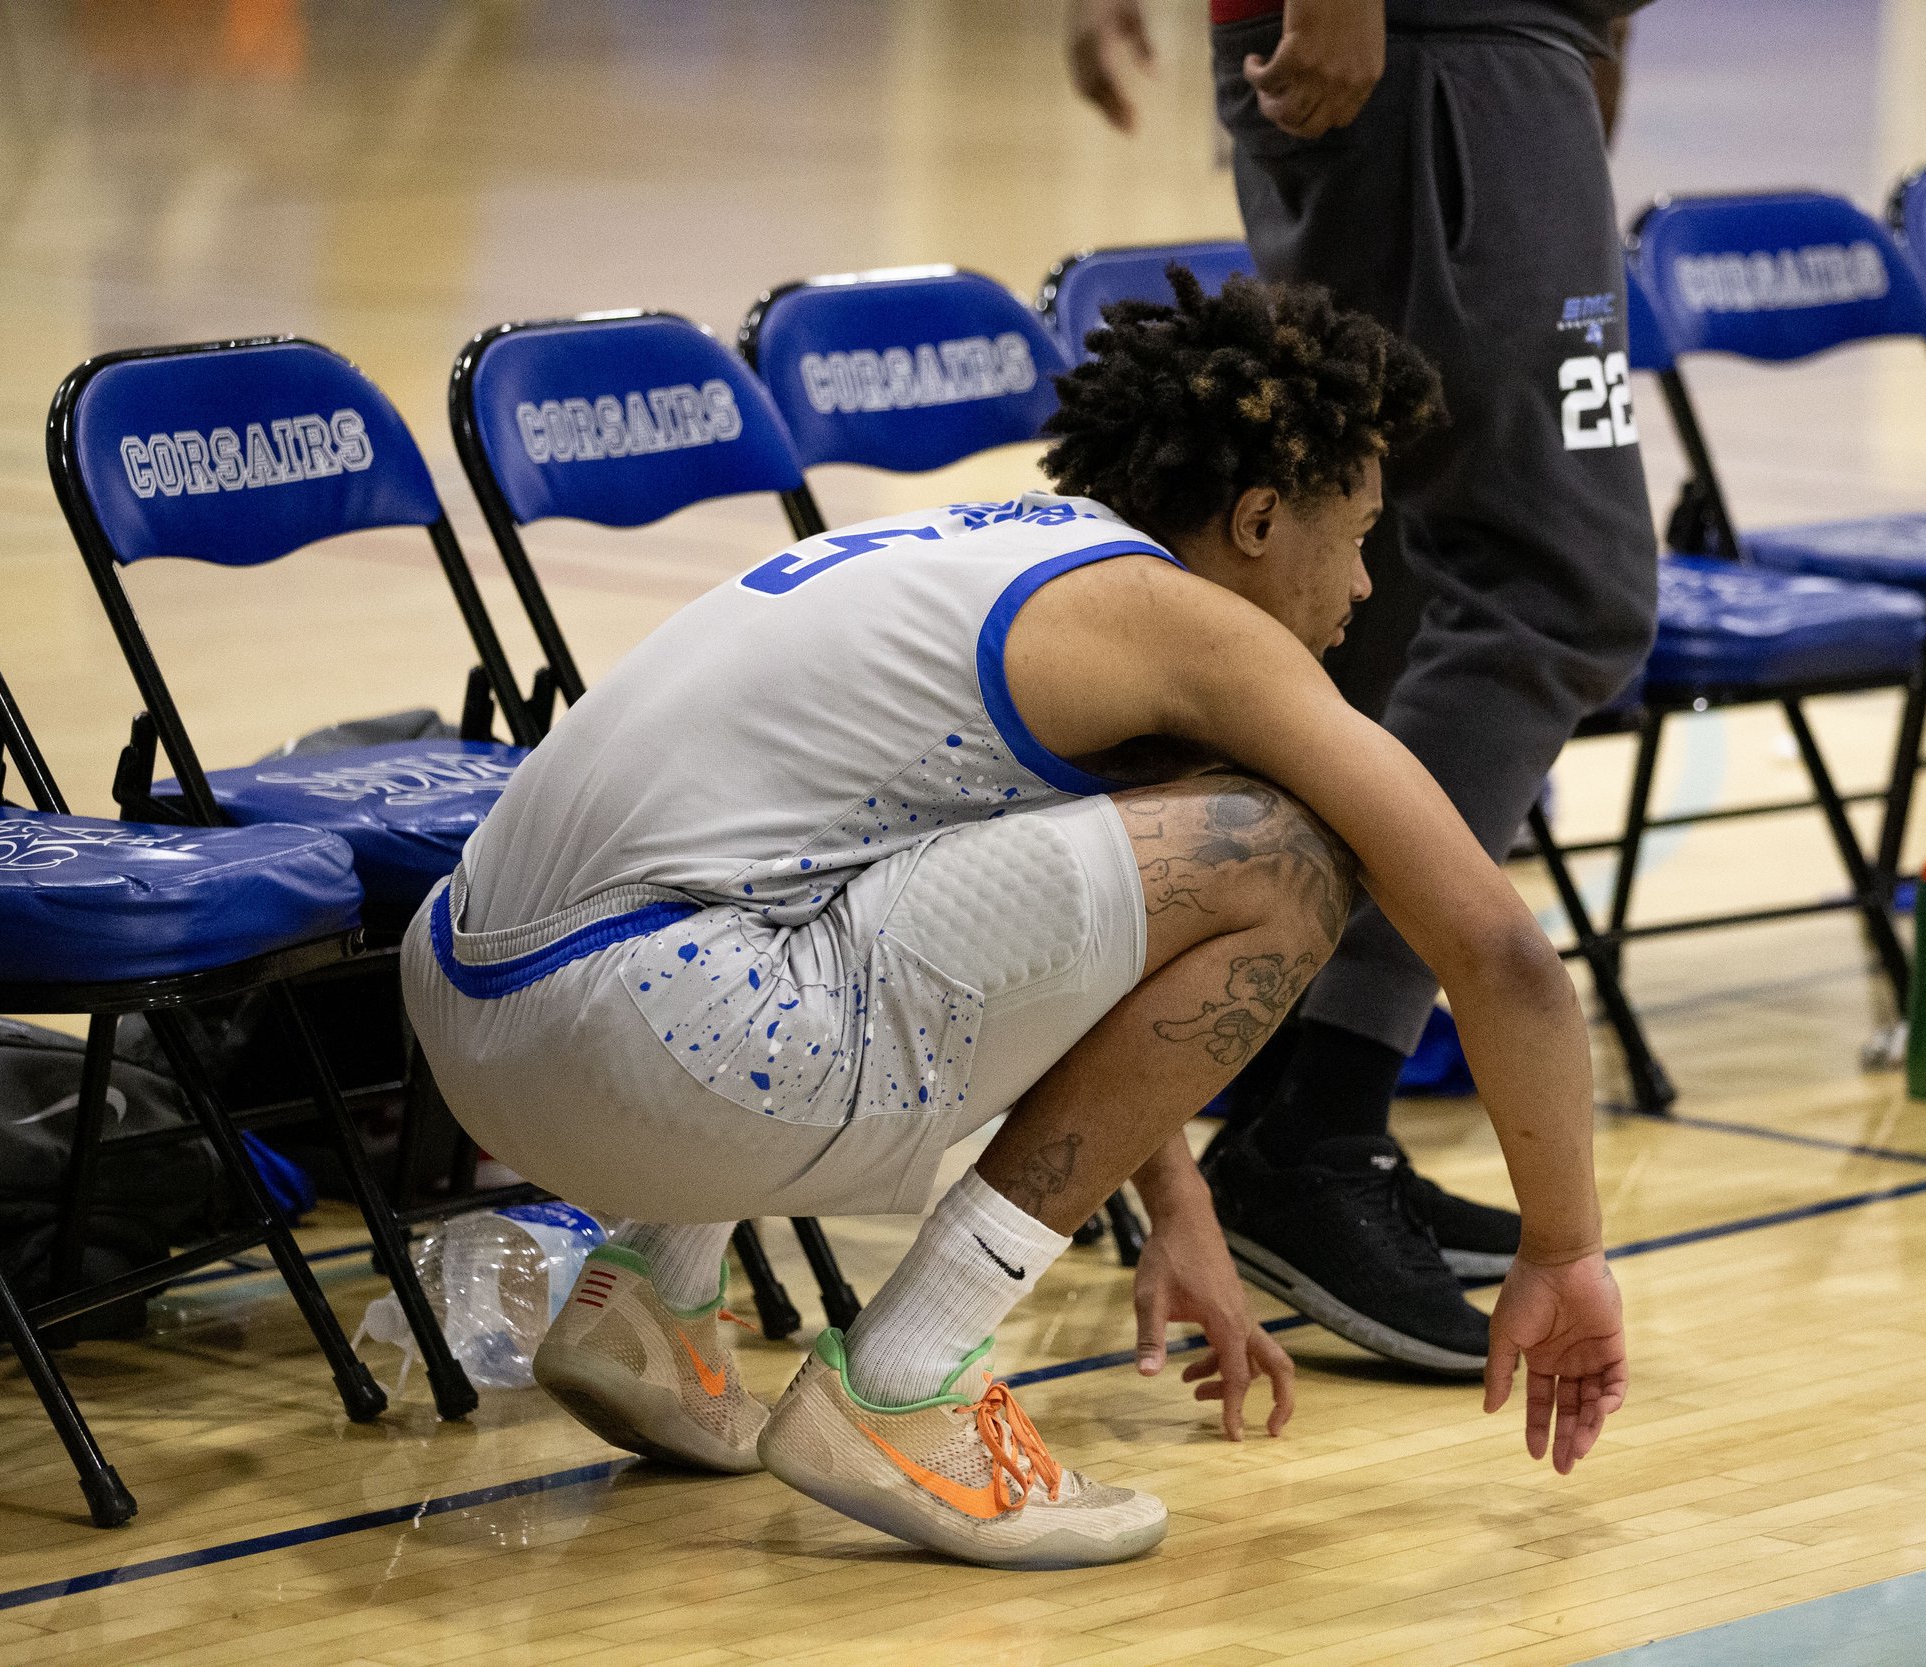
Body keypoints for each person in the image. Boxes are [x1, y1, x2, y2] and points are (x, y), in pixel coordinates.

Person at [399, 272, 1629, 1570]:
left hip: (478, 1005)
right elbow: (1495, 949)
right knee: (1288, 853)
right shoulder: (1196, 629)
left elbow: (1073, 946)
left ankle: (647, 1296)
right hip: (652, 1030)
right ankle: (905, 1380)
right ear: (1261, 518)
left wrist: (1184, 1207)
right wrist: (1568, 1247)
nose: (1369, 582)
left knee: (899, 845)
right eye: (1360, 532)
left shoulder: (1010, 555)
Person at [1066, 0, 1659, 1376]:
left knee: (1358, 581)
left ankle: (1280, 1082)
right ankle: (1320, 1112)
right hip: (1445, 39)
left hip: (1493, 47)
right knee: (1558, 579)